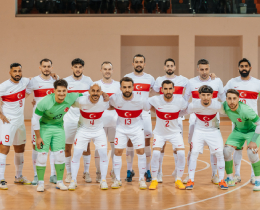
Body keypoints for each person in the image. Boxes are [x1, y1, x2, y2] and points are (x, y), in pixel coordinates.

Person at [32, 79, 83, 192]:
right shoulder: (45, 102)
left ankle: (60, 182)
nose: (61, 93)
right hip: (44, 128)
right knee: (42, 156)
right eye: (59, 91)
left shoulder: (70, 97)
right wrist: (38, 137)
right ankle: (40, 183)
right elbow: (34, 119)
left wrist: (102, 95)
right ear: (54, 91)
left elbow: (88, 95)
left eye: (64, 91)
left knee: (60, 155)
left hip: (59, 128)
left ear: (67, 91)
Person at [183, 58, 225, 184]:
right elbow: (185, 99)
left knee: (215, 148)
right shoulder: (191, 82)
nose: (204, 72)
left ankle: (214, 175)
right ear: (197, 69)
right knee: (192, 148)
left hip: (212, 118)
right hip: (195, 118)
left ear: (209, 69)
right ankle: (189, 176)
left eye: (206, 69)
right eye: (202, 69)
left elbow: (223, 98)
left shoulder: (217, 81)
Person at [109, 77, 151, 189]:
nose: (127, 89)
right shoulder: (114, 98)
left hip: (137, 129)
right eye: (124, 87)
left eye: (129, 87)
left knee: (141, 152)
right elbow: (107, 105)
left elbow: (149, 109)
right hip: (121, 129)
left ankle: (142, 178)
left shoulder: (141, 99)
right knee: (117, 152)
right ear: (121, 88)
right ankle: (117, 179)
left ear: (133, 87)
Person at [224, 58, 260, 185]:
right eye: (241, 66)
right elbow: (223, 95)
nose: (244, 68)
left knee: (252, 150)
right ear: (238, 68)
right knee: (236, 149)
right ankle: (237, 174)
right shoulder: (232, 82)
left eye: (246, 66)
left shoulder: (257, 83)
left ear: (250, 68)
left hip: (252, 123)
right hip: (237, 123)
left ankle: (253, 176)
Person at [153, 58, 189, 183]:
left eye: (171, 65)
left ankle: (176, 171)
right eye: (167, 65)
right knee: (161, 145)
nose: (169, 67)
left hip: (177, 116)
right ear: (164, 67)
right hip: (163, 116)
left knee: (176, 146)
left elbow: (194, 87)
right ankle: (159, 172)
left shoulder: (183, 80)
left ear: (174, 67)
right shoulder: (158, 80)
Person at [68, 84, 110, 191]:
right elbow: (68, 102)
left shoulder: (104, 101)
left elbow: (116, 104)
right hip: (83, 130)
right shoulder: (81, 101)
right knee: (76, 154)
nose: (95, 93)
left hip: (98, 131)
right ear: (89, 91)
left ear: (101, 92)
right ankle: (73, 180)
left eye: (98, 91)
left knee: (103, 154)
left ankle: (103, 180)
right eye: (93, 91)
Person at [148, 80, 187, 190]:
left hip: (175, 132)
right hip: (160, 133)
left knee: (181, 154)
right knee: (155, 153)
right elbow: (146, 104)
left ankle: (178, 179)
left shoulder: (180, 100)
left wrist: (177, 114)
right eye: (165, 88)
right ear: (162, 90)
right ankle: (154, 179)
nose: (168, 91)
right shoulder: (156, 99)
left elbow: (186, 109)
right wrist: (157, 112)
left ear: (174, 89)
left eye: (170, 88)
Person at [26, 58, 57, 185]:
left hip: (52, 119)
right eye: (44, 66)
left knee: (52, 146)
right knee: (36, 146)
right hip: (37, 119)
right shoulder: (33, 81)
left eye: (48, 66)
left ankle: (53, 175)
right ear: (40, 68)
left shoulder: (56, 80)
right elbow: (24, 95)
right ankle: (36, 175)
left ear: (51, 68)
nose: (46, 68)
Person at [0, 63, 31, 190]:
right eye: (15, 71)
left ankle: (18, 177)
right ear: (10, 72)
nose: (17, 73)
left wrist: (51, 75)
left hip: (20, 122)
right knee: (4, 149)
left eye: (19, 71)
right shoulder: (4, 86)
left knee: (20, 149)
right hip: (8, 122)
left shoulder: (24, 81)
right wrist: (0, 114)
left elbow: (36, 79)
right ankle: (1, 178)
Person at [124, 54, 155, 182]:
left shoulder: (150, 79)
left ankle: (147, 170)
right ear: (133, 64)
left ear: (144, 64)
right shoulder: (127, 77)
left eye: (141, 62)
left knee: (147, 142)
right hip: (131, 114)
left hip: (145, 114)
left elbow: (159, 90)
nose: (138, 64)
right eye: (136, 62)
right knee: (130, 141)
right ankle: (129, 170)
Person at [63, 58, 94, 183]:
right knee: (67, 146)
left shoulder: (89, 81)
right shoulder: (66, 81)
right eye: (75, 67)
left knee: (86, 146)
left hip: (83, 118)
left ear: (83, 68)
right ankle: (69, 173)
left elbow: (93, 97)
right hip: (69, 119)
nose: (78, 69)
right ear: (72, 68)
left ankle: (86, 172)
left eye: (80, 67)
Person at [93, 61, 120, 181]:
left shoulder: (118, 85)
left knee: (115, 148)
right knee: (99, 148)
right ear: (101, 70)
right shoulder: (96, 85)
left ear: (112, 71)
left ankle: (114, 171)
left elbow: (120, 102)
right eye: (105, 69)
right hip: (100, 121)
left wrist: (114, 106)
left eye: (109, 69)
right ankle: (98, 171)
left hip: (115, 121)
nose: (107, 71)